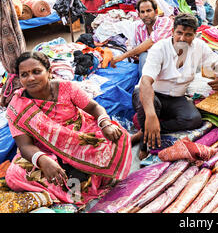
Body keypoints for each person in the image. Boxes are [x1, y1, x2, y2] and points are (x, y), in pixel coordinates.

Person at [5, 52, 132, 205]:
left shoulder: (66, 88)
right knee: (14, 174)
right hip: (45, 150)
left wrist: (105, 124)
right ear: (19, 78)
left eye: (36, 72)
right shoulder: (17, 106)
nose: (31, 78)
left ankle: (84, 178)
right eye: (24, 75)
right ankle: (82, 179)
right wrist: (42, 160)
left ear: (49, 72)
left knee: (118, 137)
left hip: (80, 140)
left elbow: (94, 108)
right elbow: (24, 146)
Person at [133, 13, 218, 159]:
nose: (182, 38)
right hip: (151, 93)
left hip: (175, 97)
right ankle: (145, 142)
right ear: (172, 32)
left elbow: (217, 62)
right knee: (151, 108)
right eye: (179, 33)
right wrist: (151, 115)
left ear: (195, 35)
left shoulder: (199, 47)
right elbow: (145, 82)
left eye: (188, 35)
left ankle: (146, 131)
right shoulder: (159, 48)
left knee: (194, 119)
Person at [110, 0, 174, 75]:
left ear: (156, 12)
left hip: (170, 60)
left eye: (149, 11)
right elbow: (140, 49)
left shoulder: (165, 21)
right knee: (143, 56)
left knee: (144, 56)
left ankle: (145, 84)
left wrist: (122, 56)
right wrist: (137, 54)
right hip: (153, 61)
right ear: (139, 15)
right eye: (142, 12)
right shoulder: (139, 27)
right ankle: (145, 84)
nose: (146, 15)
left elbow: (151, 42)